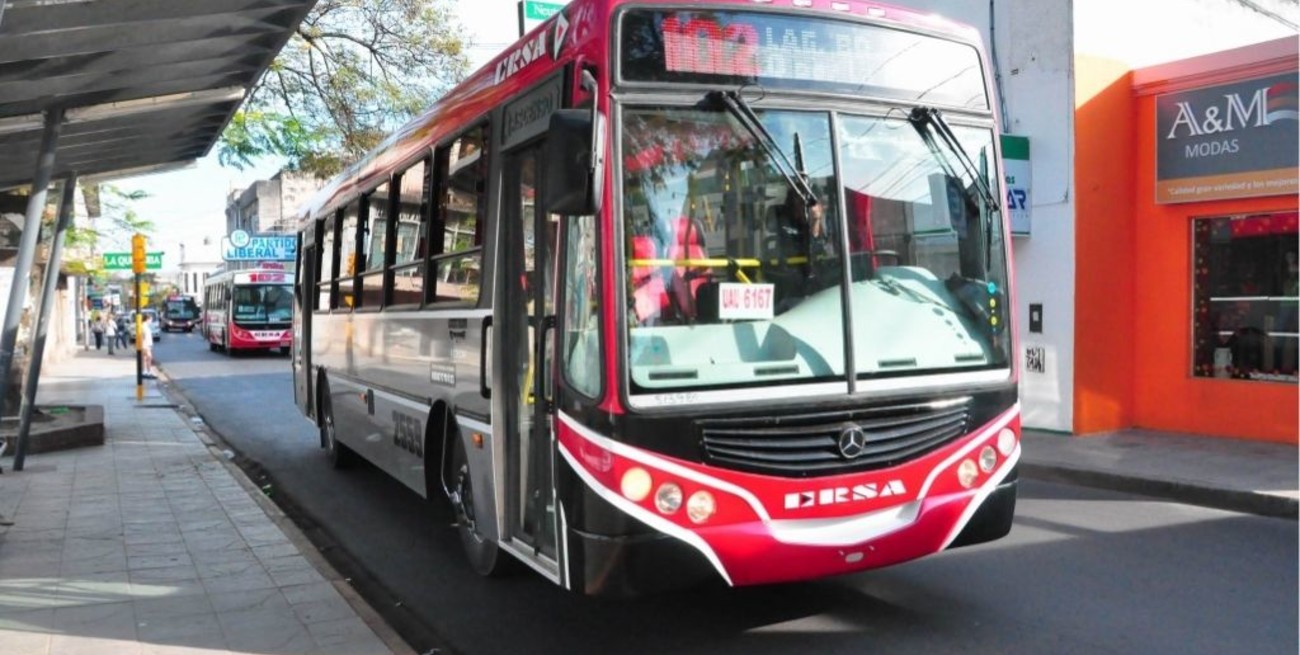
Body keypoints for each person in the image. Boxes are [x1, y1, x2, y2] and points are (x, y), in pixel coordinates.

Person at [139, 313, 156, 378]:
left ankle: (146, 371)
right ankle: (147, 372)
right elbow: (143, 336)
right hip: (145, 345)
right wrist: (146, 346)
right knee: (148, 358)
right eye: (151, 319)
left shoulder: (145, 326)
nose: (151, 321)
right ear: (147, 319)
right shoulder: (144, 326)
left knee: (146, 358)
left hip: (147, 344)